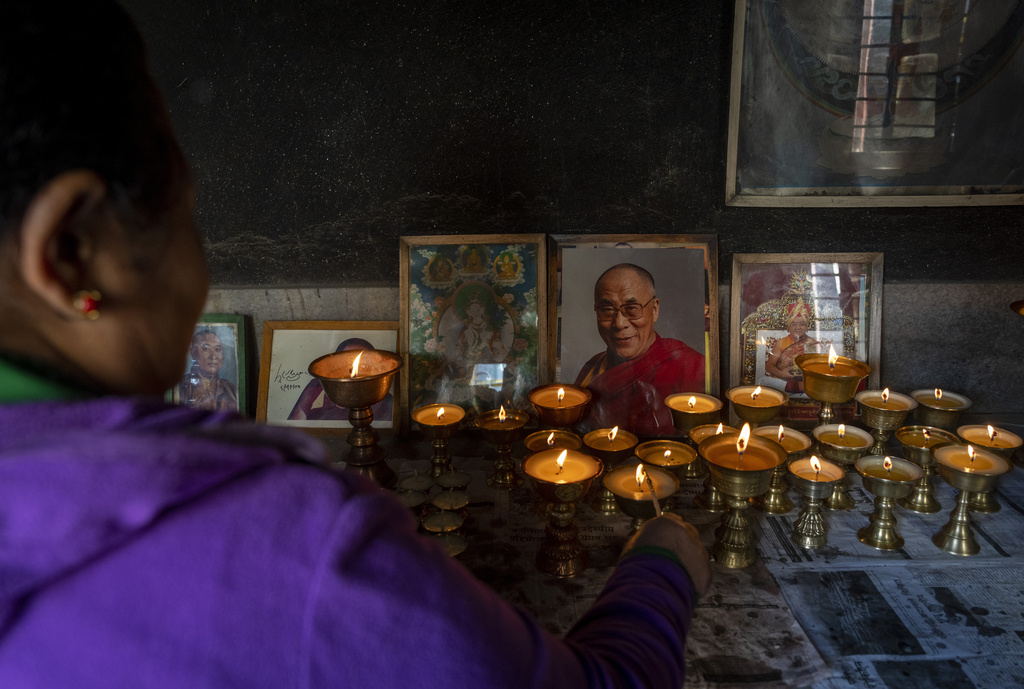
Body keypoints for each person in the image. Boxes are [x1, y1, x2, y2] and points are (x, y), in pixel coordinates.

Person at [0, 2, 710, 687]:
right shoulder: (287, 550)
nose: (618, 322)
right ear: (72, 251)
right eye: (186, 213)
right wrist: (660, 566)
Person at [575, 263, 705, 436]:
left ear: (654, 309)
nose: (619, 323)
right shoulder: (592, 367)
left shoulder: (690, 366)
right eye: (607, 310)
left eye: (631, 309)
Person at [288, 338, 394, 421]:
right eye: (346, 361)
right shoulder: (319, 385)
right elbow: (297, 422)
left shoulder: (383, 398)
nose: (353, 371)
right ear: (336, 363)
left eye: (364, 362)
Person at [765, 298, 819, 393]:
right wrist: (783, 375)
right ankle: (794, 387)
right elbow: (769, 366)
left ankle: (797, 387)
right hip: (783, 382)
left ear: (807, 327)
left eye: (802, 324)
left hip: (806, 384)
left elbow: (818, 370)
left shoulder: (814, 344)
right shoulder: (781, 343)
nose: (797, 327)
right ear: (789, 326)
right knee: (762, 381)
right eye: (793, 324)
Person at [178, 328, 239, 411]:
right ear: (193, 353)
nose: (213, 356)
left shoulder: (231, 389)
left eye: (217, 349)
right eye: (206, 349)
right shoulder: (181, 387)